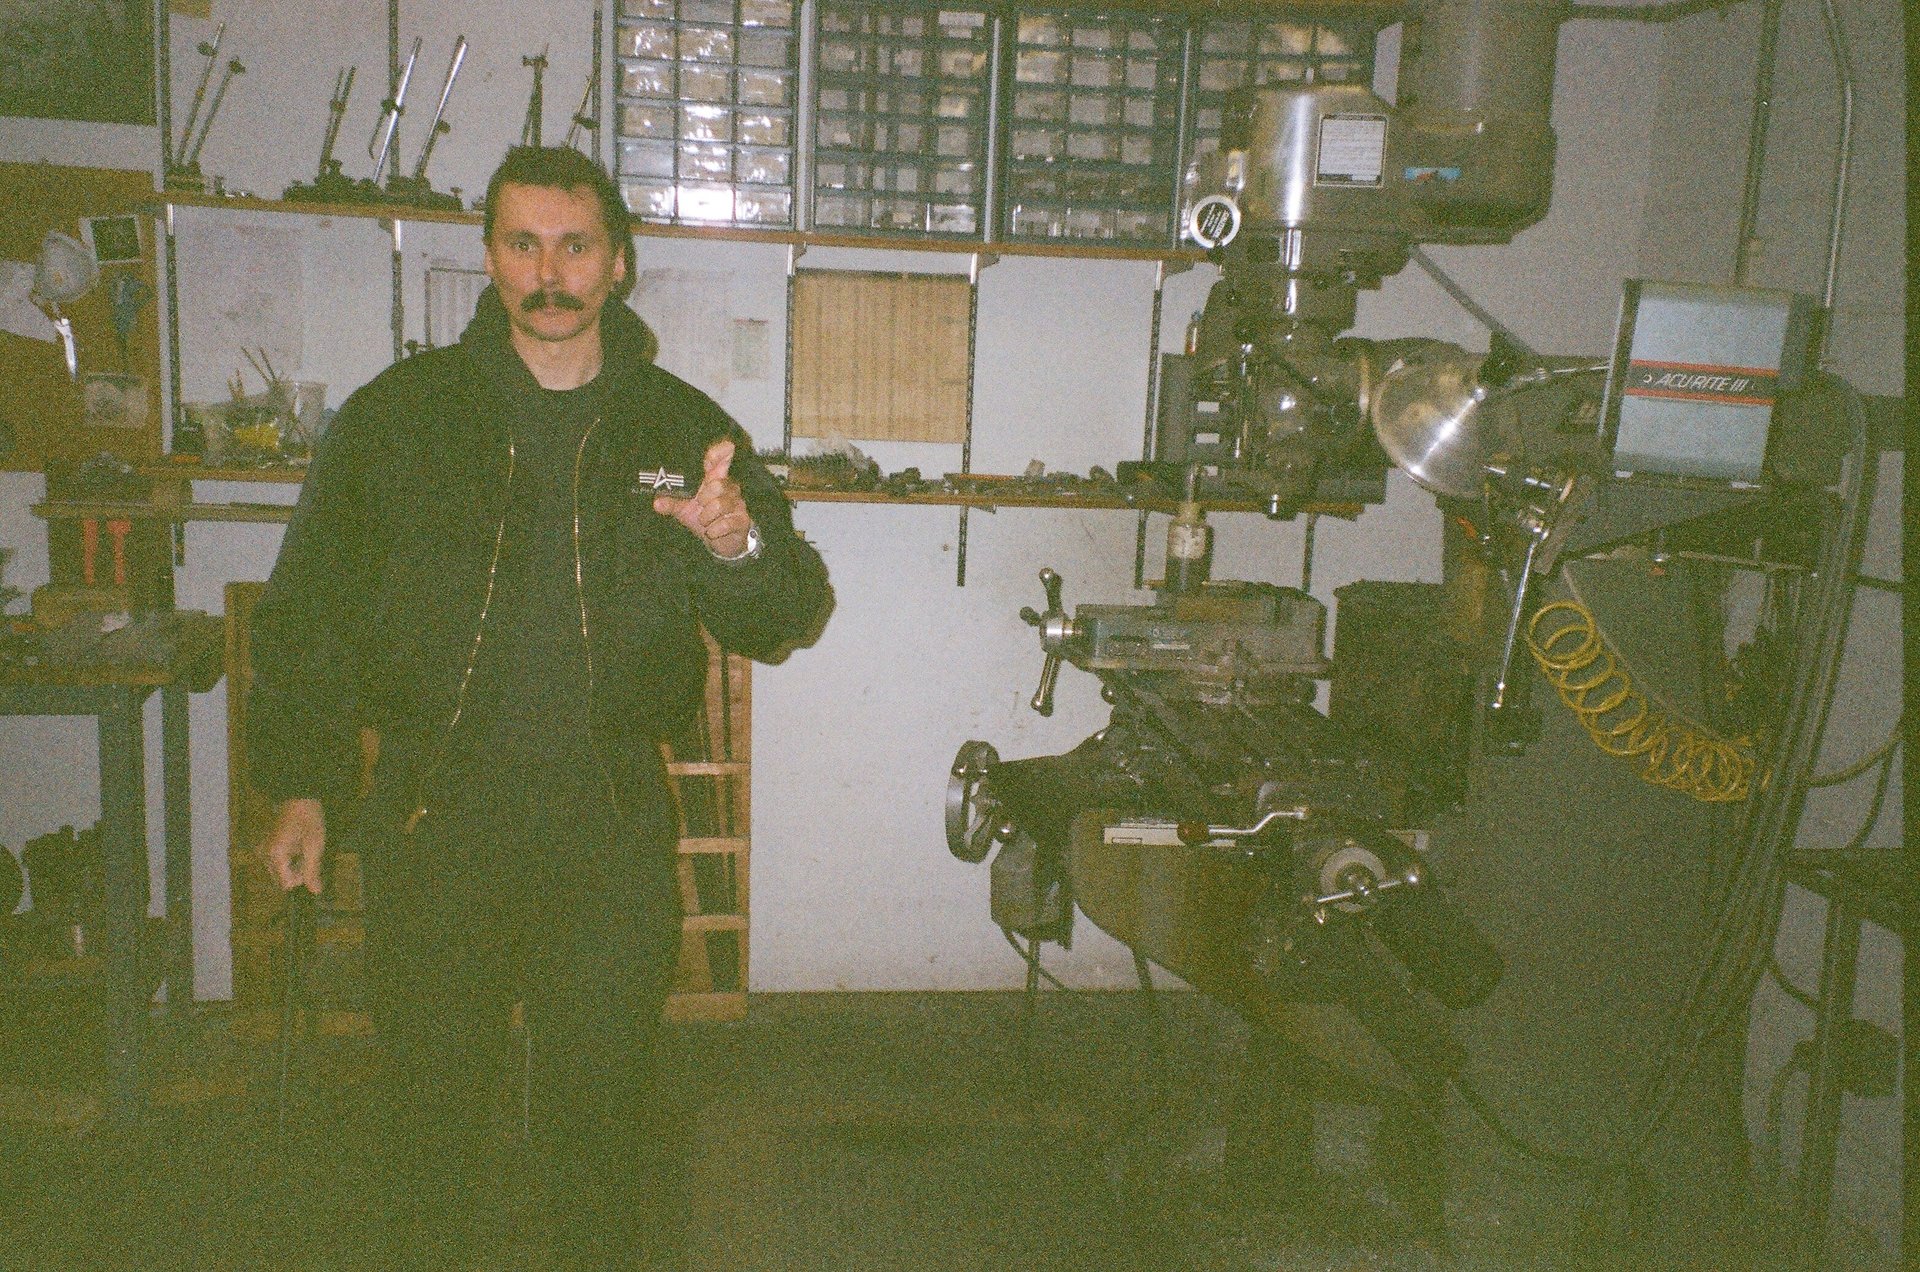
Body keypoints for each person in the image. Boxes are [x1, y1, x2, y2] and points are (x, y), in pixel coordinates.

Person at [248, 145, 832, 1268]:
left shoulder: (681, 431)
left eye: (574, 245)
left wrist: (737, 541)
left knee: (599, 1132)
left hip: (607, 834)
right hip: (433, 828)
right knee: (428, 1128)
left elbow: (783, 612)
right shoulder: (397, 420)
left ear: (618, 262)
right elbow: (307, 614)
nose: (548, 272)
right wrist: (305, 786)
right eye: (523, 244)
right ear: (490, 257)